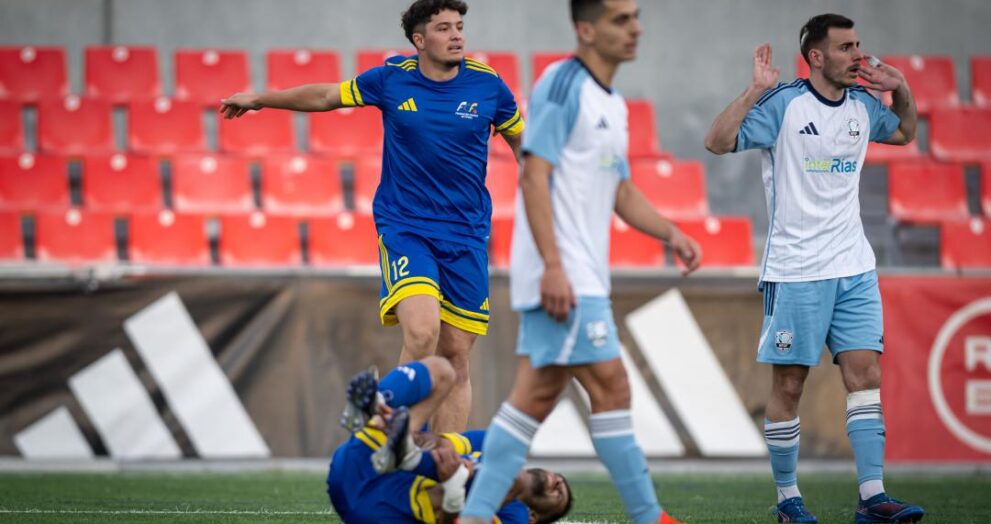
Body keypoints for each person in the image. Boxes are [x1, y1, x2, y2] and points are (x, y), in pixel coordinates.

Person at [220, 0, 524, 433]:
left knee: (456, 359)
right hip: (407, 228)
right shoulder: (391, 79)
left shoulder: (489, 86)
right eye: (443, 28)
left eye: (459, 26)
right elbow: (326, 95)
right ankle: (383, 423)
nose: (457, 35)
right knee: (422, 334)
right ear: (419, 40)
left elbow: (523, 146)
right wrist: (260, 100)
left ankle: (449, 471)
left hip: (468, 236)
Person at [461, 1, 701, 523]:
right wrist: (552, 265)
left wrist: (671, 233)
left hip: (579, 272)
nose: (636, 28)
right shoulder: (562, 84)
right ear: (586, 30)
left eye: (636, 17)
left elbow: (620, 189)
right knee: (609, 385)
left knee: (537, 394)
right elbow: (532, 173)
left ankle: (476, 517)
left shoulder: (613, 105)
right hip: (563, 272)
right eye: (621, 19)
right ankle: (648, 516)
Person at [703, 13, 924, 524]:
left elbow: (907, 132)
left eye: (858, 45)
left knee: (865, 374)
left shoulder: (865, 106)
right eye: (846, 48)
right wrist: (753, 90)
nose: (858, 55)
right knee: (789, 386)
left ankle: (873, 498)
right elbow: (716, 140)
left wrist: (903, 88)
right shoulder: (783, 104)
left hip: (854, 265)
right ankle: (787, 501)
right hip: (797, 268)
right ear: (817, 57)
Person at [328, 358, 572, 524]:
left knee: (475, 476)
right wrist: (411, 434)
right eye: (561, 479)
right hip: (363, 461)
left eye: (558, 495)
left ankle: (407, 453)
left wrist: (454, 490)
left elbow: (453, 516)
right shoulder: (495, 446)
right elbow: (441, 442)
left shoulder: (514, 517)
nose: (558, 482)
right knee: (443, 371)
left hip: (380, 509)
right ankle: (374, 406)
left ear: (533, 516)